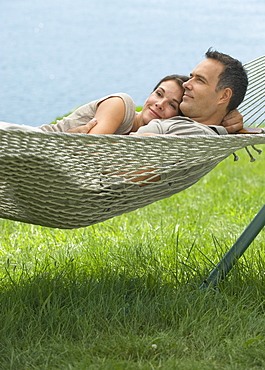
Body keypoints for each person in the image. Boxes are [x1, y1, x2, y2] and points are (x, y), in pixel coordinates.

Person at [134, 48, 248, 137]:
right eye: (191, 77)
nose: (186, 84)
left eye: (200, 80)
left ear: (224, 96)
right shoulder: (183, 124)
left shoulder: (194, 134)